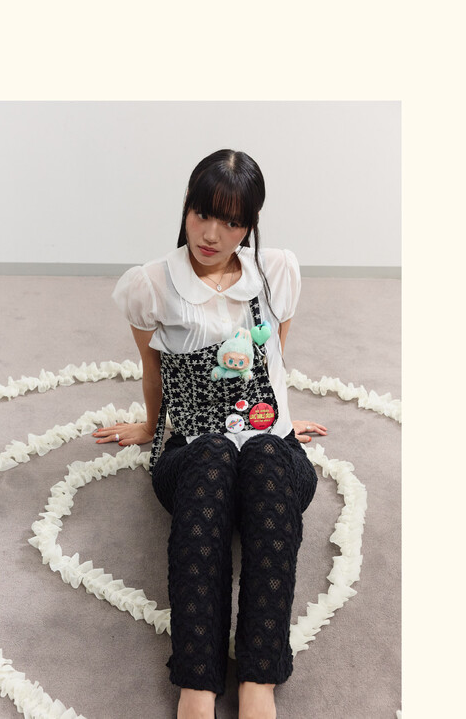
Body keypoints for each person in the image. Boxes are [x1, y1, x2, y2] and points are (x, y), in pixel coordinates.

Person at [99, 147, 327, 719]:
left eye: (231, 222)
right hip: (193, 459)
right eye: (203, 214)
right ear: (187, 207)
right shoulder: (153, 284)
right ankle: (197, 684)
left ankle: (258, 680)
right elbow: (152, 370)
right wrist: (149, 426)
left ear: (249, 225)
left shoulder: (274, 272)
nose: (211, 234)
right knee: (213, 456)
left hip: (270, 447)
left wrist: (284, 420)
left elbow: (273, 358)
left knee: (266, 456)